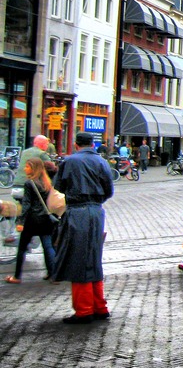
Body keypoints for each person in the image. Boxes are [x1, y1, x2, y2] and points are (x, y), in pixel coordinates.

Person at [52, 131, 115, 324]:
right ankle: (99, 306)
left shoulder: (69, 161)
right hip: (97, 212)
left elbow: (59, 186)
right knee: (93, 257)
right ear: (93, 144)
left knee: (77, 258)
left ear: (76, 144)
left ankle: (84, 310)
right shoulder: (102, 162)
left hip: (77, 211)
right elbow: (109, 190)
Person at [5, 157, 58, 284]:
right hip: (46, 219)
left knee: (22, 248)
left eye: (27, 166)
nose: (25, 168)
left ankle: (17, 277)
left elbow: (27, 205)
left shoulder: (30, 183)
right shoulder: (46, 182)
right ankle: (53, 275)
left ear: (33, 168)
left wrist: (20, 222)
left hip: (32, 220)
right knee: (48, 247)